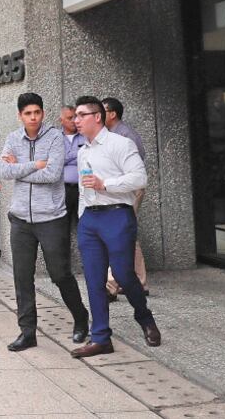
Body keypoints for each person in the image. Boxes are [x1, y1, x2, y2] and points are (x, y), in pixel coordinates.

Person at [0, 93, 89, 352]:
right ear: (20, 116)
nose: (33, 117)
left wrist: (22, 168)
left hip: (51, 218)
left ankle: (81, 318)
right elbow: (4, 172)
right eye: (28, 113)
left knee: (60, 274)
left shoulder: (55, 138)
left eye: (37, 112)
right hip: (21, 220)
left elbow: (52, 174)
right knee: (22, 277)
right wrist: (33, 165)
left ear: (43, 113)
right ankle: (27, 332)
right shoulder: (13, 138)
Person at [70, 96, 159, 358]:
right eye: (75, 116)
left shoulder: (121, 144)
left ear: (97, 117)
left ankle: (145, 318)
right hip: (90, 219)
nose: (76, 120)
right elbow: (82, 187)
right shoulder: (82, 150)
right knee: (94, 279)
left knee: (122, 274)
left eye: (81, 115)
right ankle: (100, 338)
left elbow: (139, 178)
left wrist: (104, 184)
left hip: (117, 215)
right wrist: (83, 215)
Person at [102, 96, 148, 298]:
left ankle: (111, 284)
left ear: (112, 114)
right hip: (118, 189)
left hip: (127, 190)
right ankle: (139, 281)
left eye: (101, 111)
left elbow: (133, 167)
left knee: (117, 233)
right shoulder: (113, 133)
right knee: (128, 235)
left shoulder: (124, 136)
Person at [60, 105, 86, 225]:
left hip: (83, 188)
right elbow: (57, 161)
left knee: (84, 224)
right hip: (62, 189)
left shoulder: (85, 135)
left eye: (75, 117)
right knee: (62, 226)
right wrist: (77, 153)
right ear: (61, 120)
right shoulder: (56, 138)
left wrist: (67, 156)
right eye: (70, 118)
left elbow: (88, 158)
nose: (74, 121)